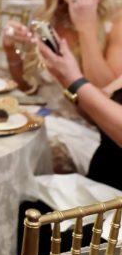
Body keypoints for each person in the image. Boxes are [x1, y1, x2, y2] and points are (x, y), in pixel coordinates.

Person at [36, 35, 122, 190]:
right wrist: (63, 77)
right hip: (97, 185)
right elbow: (95, 112)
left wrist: (74, 80)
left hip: (110, 204)